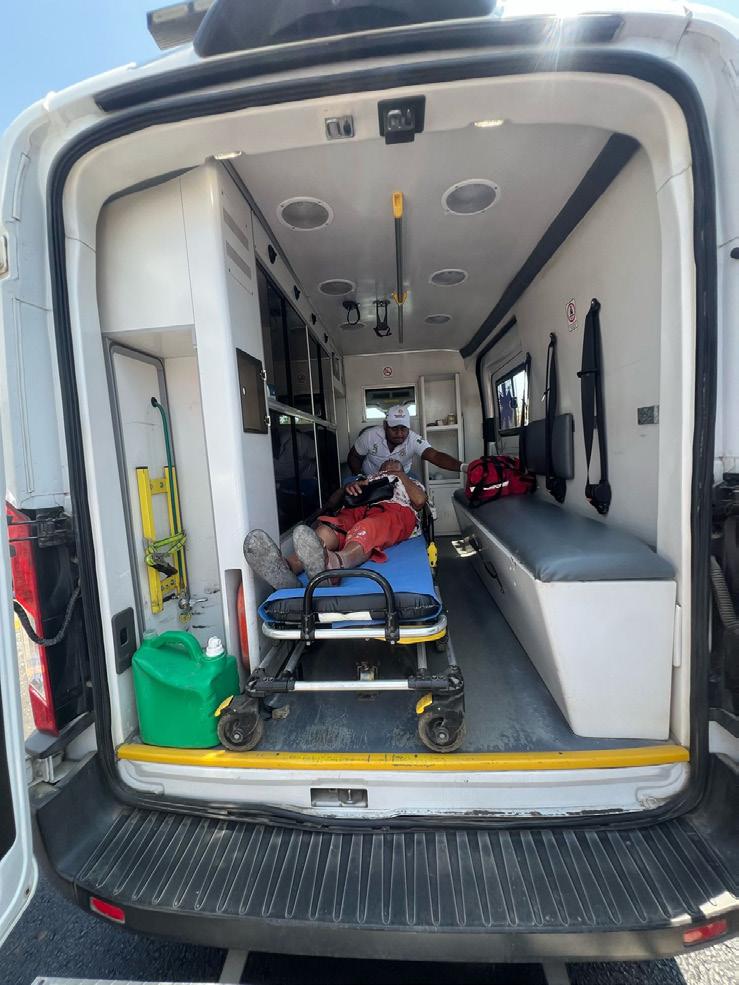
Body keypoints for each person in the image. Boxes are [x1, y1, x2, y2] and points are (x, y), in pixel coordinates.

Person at [244, 459, 427, 589]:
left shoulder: (410, 482)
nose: (390, 463)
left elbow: (419, 501)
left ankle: (334, 566)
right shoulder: (365, 480)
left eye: (395, 464)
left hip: (395, 510)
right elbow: (332, 503)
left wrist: (399, 476)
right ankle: (287, 567)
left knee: (367, 528)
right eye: (386, 464)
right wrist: (348, 489)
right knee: (329, 528)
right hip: (359, 508)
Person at [347, 405, 467, 478]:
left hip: (402, 476)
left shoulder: (413, 439)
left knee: (419, 497)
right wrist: (359, 476)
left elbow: (435, 456)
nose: (399, 434)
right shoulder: (370, 435)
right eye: (394, 428)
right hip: (371, 476)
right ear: (385, 425)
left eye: (403, 428)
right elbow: (354, 456)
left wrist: (464, 467)